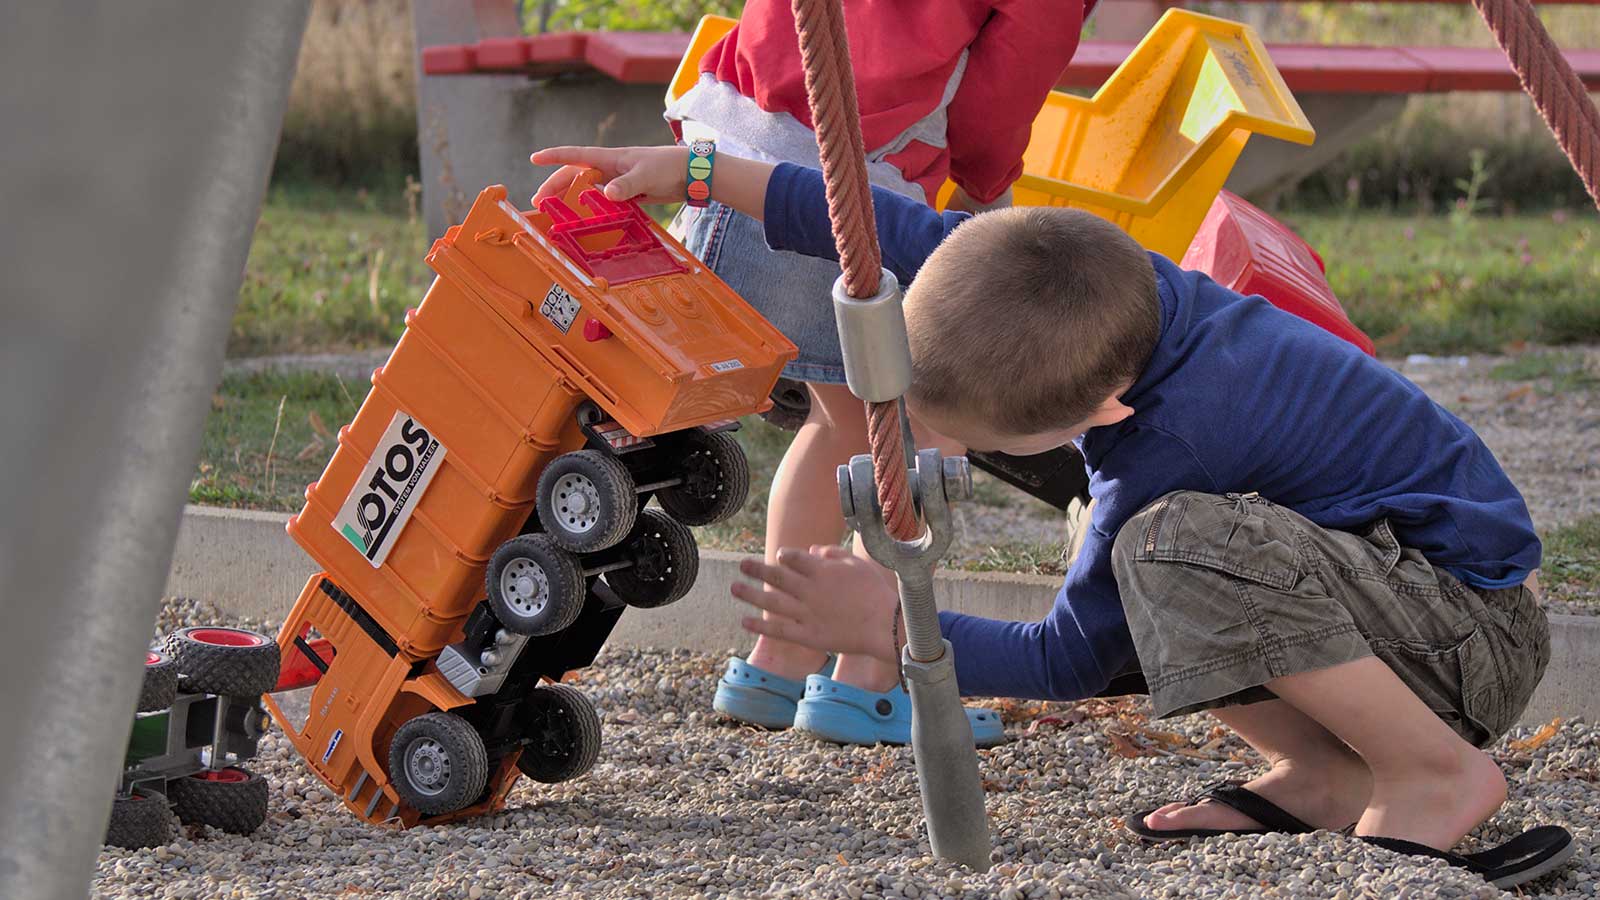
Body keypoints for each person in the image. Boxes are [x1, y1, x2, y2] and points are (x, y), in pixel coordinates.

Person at [528, 144, 1571, 888]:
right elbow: (871, 221)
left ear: (1101, 414)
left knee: (1163, 553)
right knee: (1157, 565)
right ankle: (1329, 768)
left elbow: (1073, 660)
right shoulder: (1085, 289)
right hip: (1396, 597)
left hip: (1464, 635)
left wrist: (888, 629)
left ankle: (1431, 771)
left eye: (982, 439)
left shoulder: (1168, 449)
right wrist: (698, 173)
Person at [658, 0, 1090, 747]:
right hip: (840, 178)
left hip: (729, 142)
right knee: (927, 426)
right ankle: (867, 675)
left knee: (842, 423)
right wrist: (986, 193)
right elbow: (998, 101)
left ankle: (778, 661)